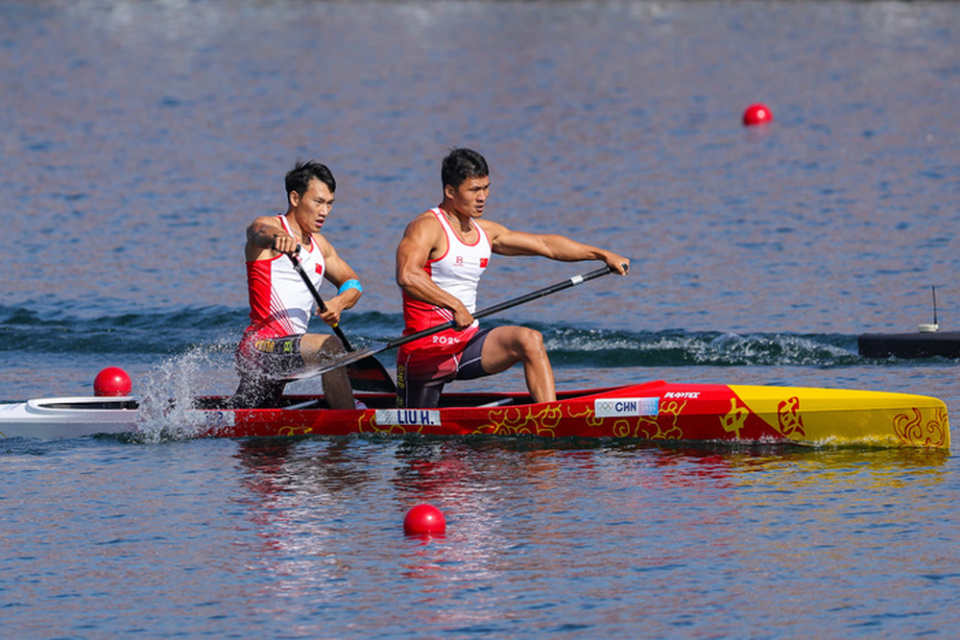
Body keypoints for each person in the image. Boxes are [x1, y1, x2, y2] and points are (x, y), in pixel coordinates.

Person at [394, 147, 630, 408]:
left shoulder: (486, 231)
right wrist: (455, 306)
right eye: (474, 190)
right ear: (450, 191)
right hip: (425, 351)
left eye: (486, 188)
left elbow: (545, 245)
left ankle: (550, 418)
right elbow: (407, 275)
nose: (482, 197)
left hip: (465, 344)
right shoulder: (426, 226)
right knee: (417, 444)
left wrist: (601, 254)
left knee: (528, 340)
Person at [231, 161, 363, 409]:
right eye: (318, 202)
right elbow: (256, 231)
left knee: (251, 412)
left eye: (330, 203)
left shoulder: (321, 246)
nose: (325, 211)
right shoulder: (270, 227)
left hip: (290, 348)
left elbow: (353, 283)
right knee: (330, 347)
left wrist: (338, 303)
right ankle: (349, 427)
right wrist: (278, 239)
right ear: (295, 197)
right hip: (260, 347)